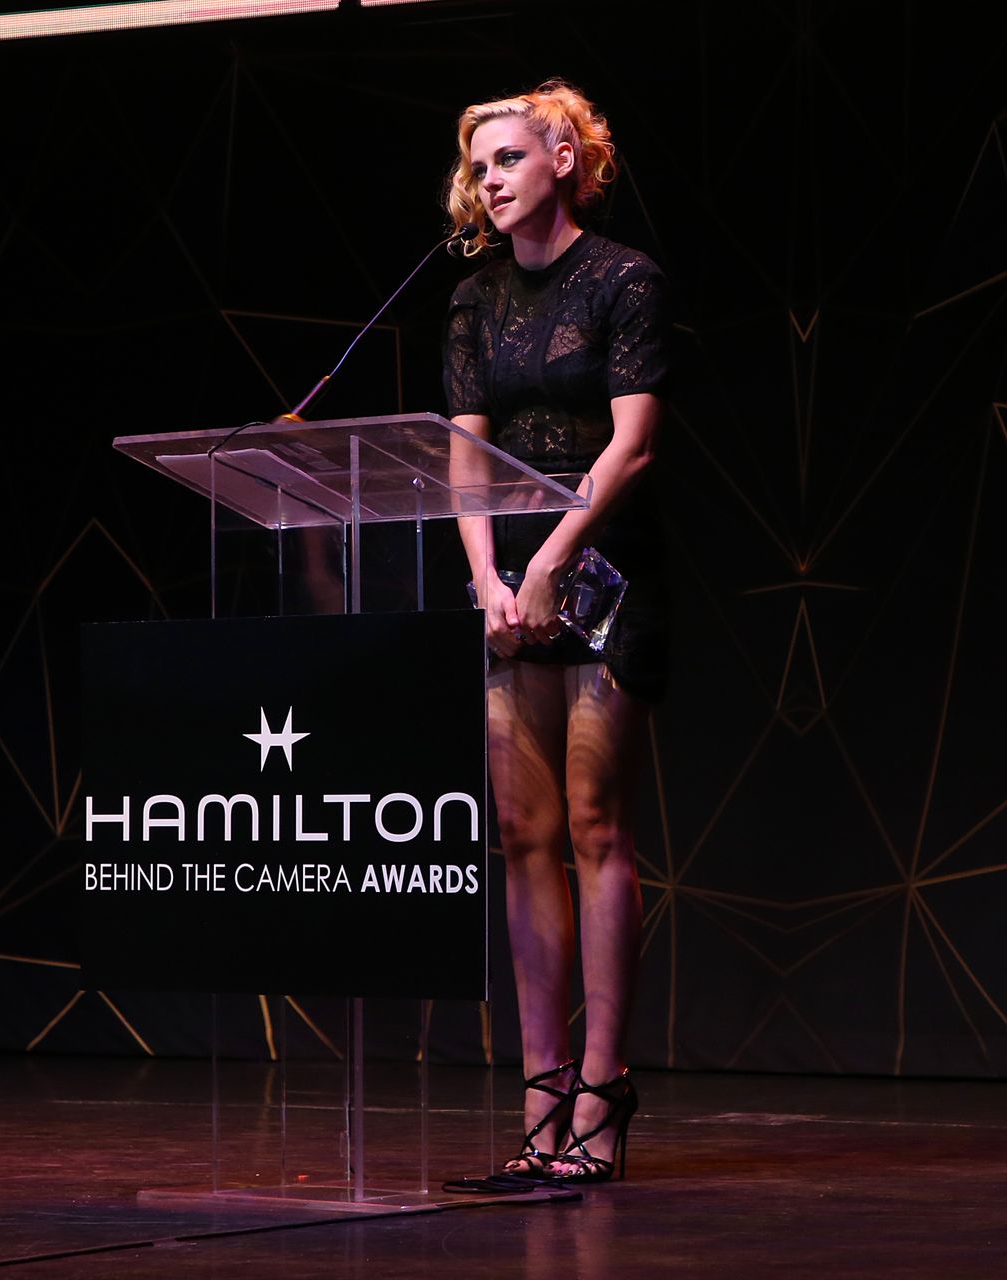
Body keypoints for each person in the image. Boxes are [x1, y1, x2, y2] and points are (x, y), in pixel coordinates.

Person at [441, 80, 669, 1186]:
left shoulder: (625, 279)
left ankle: (602, 1090)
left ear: (564, 161)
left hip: (606, 569)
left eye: (508, 158)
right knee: (522, 831)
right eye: (478, 164)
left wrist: (550, 561)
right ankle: (540, 1095)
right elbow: (464, 454)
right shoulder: (474, 300)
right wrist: (488, 575)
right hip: (512, 587)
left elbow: (633, 444)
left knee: (591, 823)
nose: (488, 179)